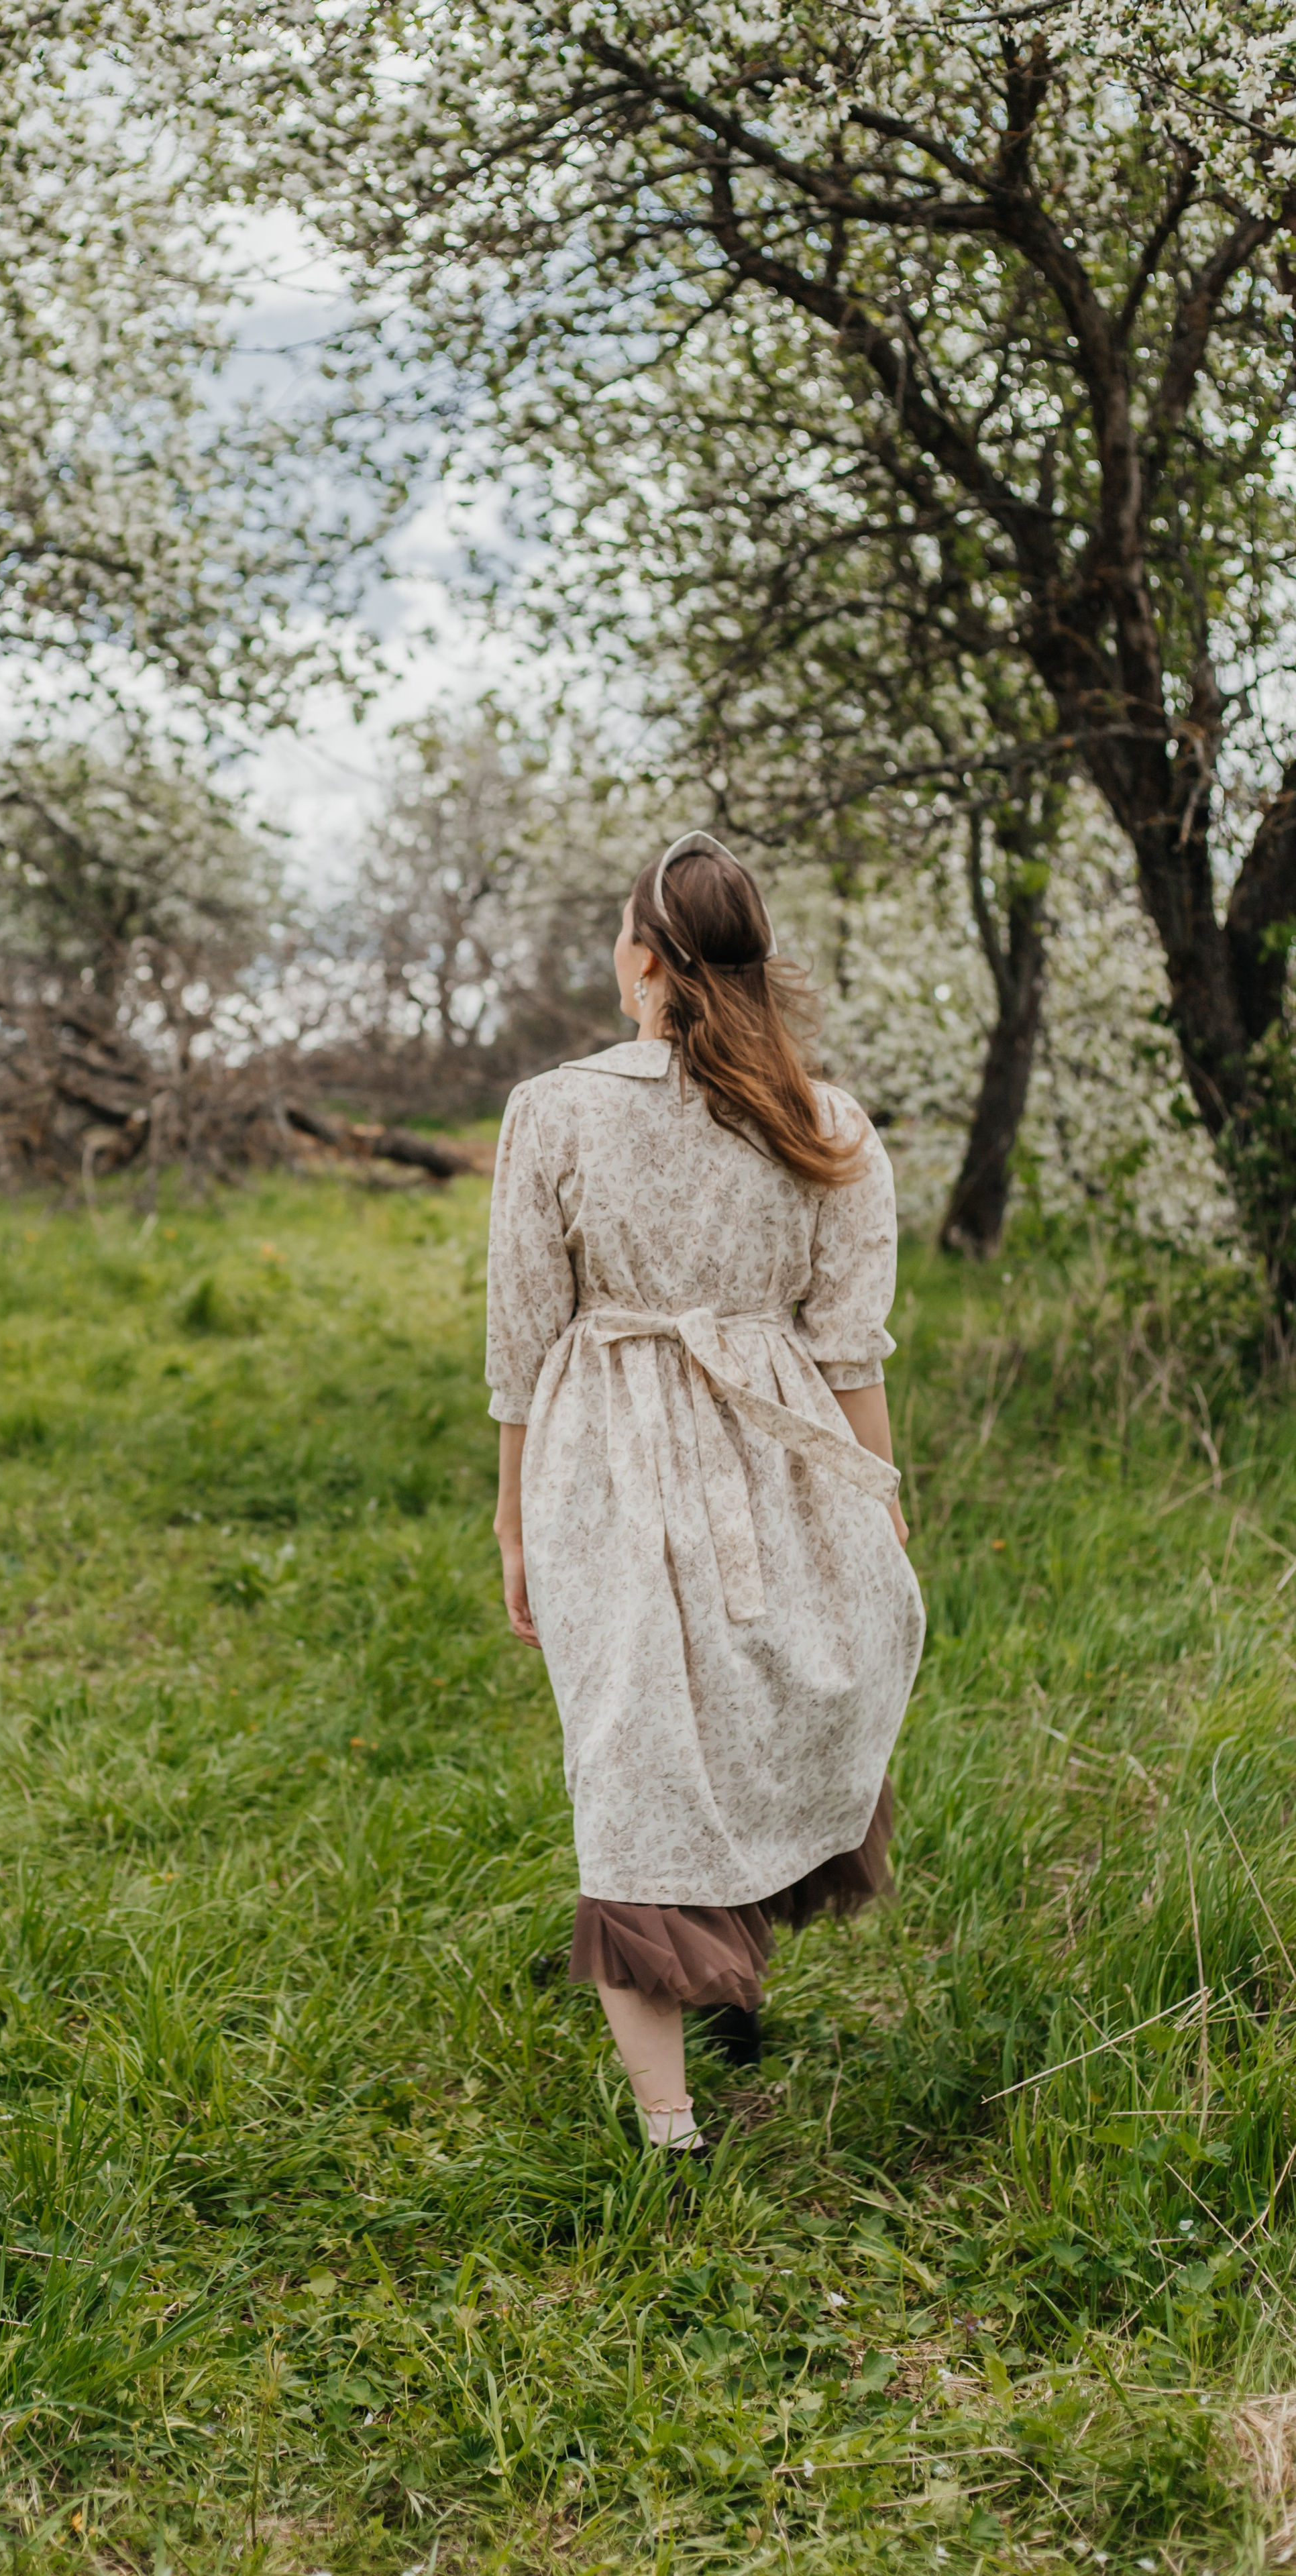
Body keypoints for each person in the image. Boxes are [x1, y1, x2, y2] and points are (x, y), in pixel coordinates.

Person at [486, 833, 925, 2154]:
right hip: (778, 1447)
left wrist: (510, 1522)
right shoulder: (824, 1118)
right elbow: (846, 1344)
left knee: (647, 1750)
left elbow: (519, 1340)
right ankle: (699, 2035)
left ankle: (669, 2133)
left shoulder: (552, 1111)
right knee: (724, 1709)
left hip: (601, 1456)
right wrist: (878, 1499)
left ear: (638, 962)